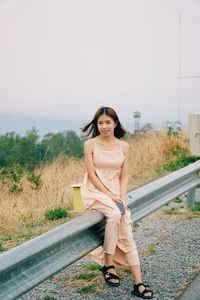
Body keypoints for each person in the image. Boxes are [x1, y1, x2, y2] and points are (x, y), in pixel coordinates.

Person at [81, 106, 153, 299]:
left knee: (126, 227)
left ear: (115, 123)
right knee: (114, 215)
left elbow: (124, 175)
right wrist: (110, 196)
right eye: (100, 123)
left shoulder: (124, 146)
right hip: (95, 190)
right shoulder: (90, 144)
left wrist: (120, 197)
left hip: (115, 194)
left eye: (108, 122)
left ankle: (138, 284)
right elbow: (92, 175)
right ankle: (109, 265)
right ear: (97, 125)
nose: (104, 126)